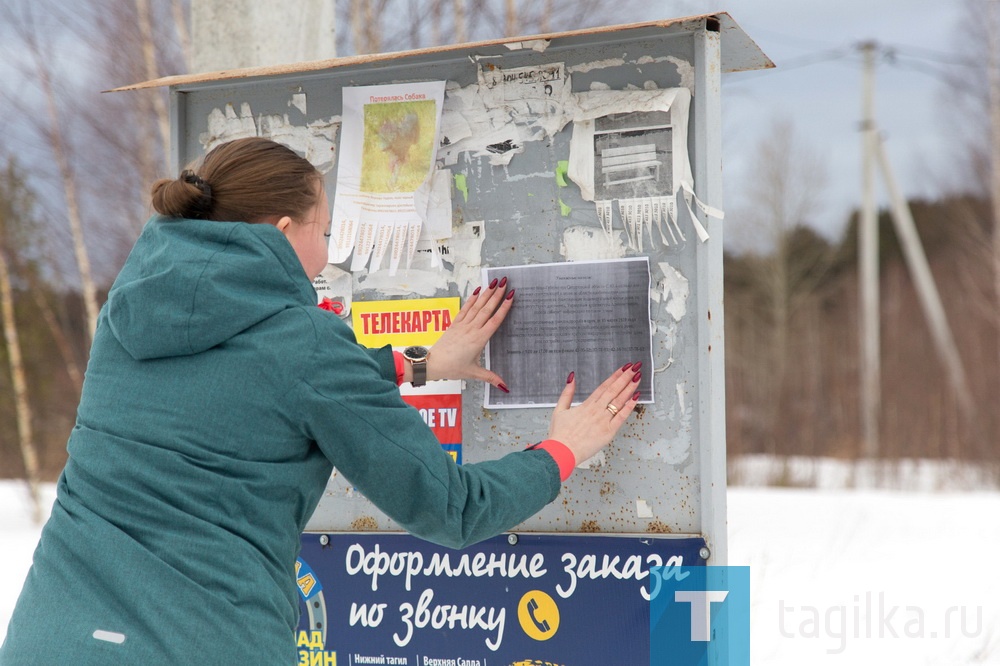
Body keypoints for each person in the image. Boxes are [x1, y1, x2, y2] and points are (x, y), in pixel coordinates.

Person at [0, 137, 642, 664]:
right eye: (326, 231)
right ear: (284, 231)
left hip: (49, 637)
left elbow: (247, 387)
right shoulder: (305, 341)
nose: (328, 254)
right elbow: (453, 509)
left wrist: (417, 362)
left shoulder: (129, 314)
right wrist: (564, 448)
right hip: (198, 645)